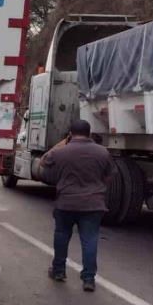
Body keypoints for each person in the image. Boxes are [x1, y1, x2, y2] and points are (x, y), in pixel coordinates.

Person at [41, 119, 114, 292]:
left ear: (70, 134)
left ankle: (58, 271)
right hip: (93, 204)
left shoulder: (61, 152)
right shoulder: (103, 152)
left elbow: (43, 162)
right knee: (90, 240)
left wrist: (61, 144)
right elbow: (110, 177)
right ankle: (88, 279)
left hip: (66, 202)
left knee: (62, 236)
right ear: (89, 133)